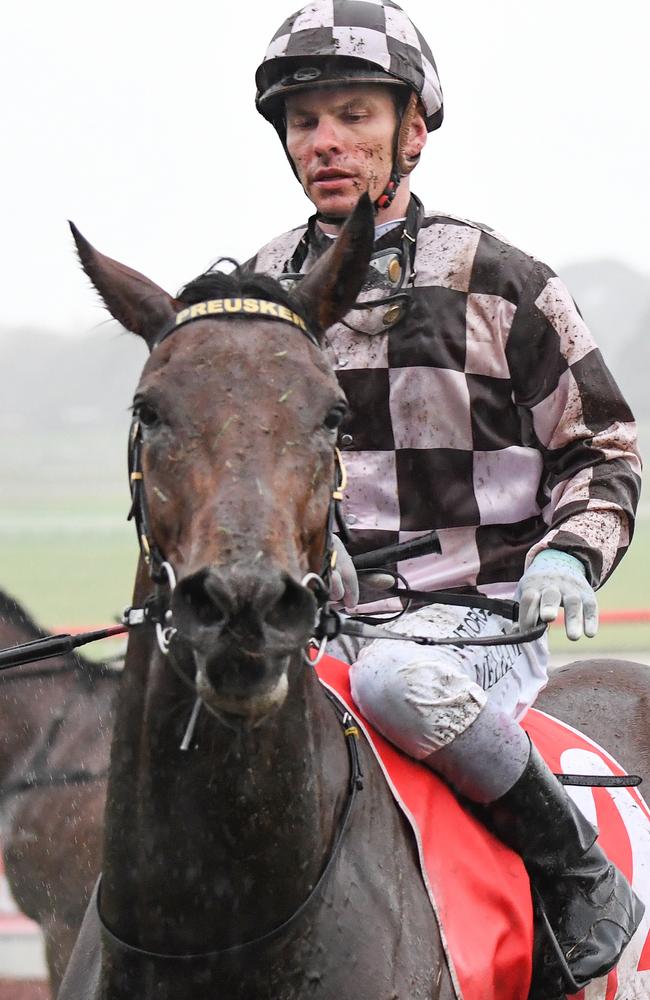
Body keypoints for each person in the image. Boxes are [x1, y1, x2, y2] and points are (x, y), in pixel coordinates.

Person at [247, 1, 644, 994]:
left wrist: (565, 554)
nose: (325, 142)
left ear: (411, 129)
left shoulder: (501, 279)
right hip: (318, 629)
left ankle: (577, 872)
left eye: (352, 115)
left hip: (469, 639)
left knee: (392, 678)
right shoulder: (259, 293)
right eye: (304, 121)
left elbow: (602, 447)